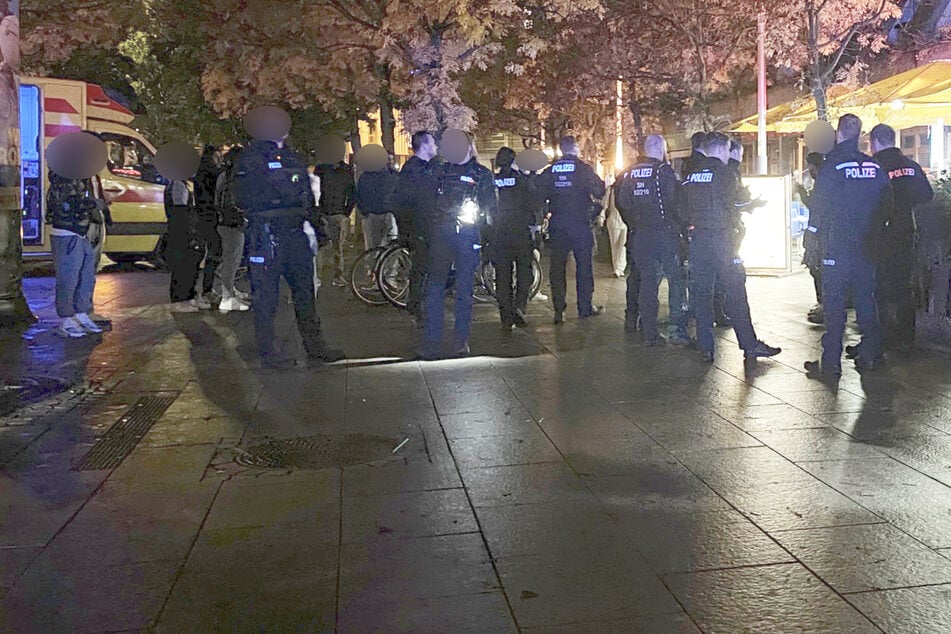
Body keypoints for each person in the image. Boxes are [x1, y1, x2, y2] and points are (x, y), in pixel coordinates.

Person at [234, 129, 344, 368]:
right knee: (266, 298)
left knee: (305, 295)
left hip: (294, 233)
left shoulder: (292, 158)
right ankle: (268, 352)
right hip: (266, 235)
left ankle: (315, 347)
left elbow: (307, 198)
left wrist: (317, 227)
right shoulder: (251, 159)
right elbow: (241, 198)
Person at [804, 115, 892, 378]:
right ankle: (871, 355)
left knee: (834, 304)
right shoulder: (874, 166)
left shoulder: (833, 166)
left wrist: (811, 240)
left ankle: (831, 363)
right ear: (860, 135)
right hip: (867, 247)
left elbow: (819, 208)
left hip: (837, 247)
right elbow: (888, 203)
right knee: (866, 301)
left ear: (839, 134)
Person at [682, 132, 781, 363]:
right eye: (727, 150)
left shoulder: (692, 175)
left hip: (699, 241)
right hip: (723, 241)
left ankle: (706, 346)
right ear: (719, 149)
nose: (729, 155)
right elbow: (738, 201)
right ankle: (749, 344)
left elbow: (681, 207)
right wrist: (753, 203)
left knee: (702, 294)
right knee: (736, 292)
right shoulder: (725, 174)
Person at [419, 132, 497, 359]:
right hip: (442, 233)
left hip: (467, 234)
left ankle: (460, 340)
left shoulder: (481, 174)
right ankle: (432, 340)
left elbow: (490, 208)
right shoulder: (440, 171)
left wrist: (487, 237)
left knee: (464, 289)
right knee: (435, 287)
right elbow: (426, 200)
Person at [615, 134, 689, 346]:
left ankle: (650, 331)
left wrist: (636, 224)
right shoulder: (664, 172)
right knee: (676, 280)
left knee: (647, 283)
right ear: (661, 149)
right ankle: (677, 328)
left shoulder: (630, 173)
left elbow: (623, 202)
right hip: (665, 234)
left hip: (641, 235)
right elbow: (675, 203)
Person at [869, 123, 934, 351]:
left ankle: (886, 337)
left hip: (881, 235)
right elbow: (927, 195)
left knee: (880, 287)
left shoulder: (874, 166)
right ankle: (907, 337)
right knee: (903, 286)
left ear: (874, 142)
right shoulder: (911, 166)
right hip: (907, 233)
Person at [538, 136, 606, 324]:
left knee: (557, 268)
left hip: (558, 224)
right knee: (584, 266)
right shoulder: (583, 168)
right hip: (579, 224)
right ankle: (585, 307)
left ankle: (559, 309)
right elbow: (599, 190)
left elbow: (538, 193)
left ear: (561, 149)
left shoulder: (551, 170)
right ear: (575, 149)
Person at [46, 172, 108, 336]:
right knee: (69, 277)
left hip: (80, 232)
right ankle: (67, 318)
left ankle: (81, 313)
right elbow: (68, 204)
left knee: (85, 275)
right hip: (67, 232)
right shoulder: (63, 180)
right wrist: (94, 205)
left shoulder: (79, 178)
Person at [390, 131, 439, 320]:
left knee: (425, 266)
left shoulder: (425, 167)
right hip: (420, 227)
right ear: (425, 146)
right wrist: (409, 230)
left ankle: (418, 304)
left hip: (426, 225)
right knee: (423, 266)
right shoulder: (414, 170)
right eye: (433, 143)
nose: (436, 146)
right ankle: (417, 306)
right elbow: (407, 201)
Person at [489, 147, 535, 330]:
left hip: (499, 234)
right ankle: (519, 305)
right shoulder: (521, 180)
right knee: (525, 272)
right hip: (520, 232)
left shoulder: (494, 181)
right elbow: (533, 202)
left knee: (502, 276)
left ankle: (506, 317)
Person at [214, 146, 250, 312]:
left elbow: (217, 200)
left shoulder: (223, 176)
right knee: (232, 260)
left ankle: (226, 290)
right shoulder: (238, 177)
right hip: (234, 223)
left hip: (223, 221)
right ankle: (227, 297)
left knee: (229, 259)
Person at [164, 176, 204, 313]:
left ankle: (186, 297)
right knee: (183, 266)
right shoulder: (178, 185)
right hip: (181, 232)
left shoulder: (182, 184)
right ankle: (179, 300)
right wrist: (190, 231)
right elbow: (180, 211)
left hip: (182, 231)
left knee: (188, 265)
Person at [314, 155, 355, 287]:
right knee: (324, 247)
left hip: (335, 212)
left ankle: (335, 276)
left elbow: (352, 193)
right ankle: (321, 276)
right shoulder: (323, 169)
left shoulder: (329, 169)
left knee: (335, 247)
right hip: (326, 212)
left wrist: (345, 213)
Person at [797, 152, 827, 324]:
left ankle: (823, 305)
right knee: (817, 268)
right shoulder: (825, 181)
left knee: (817, 268)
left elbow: (814, 206)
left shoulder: (822, 183)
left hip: (819, 235)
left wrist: (801, 192)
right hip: (820, 233)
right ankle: (823, 303)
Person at [193, 144, 223, 308]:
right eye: (218, 157)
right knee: (214, 253)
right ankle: (207, 290)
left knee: (205, 254)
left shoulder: (200, 172)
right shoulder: (212, 173)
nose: (219, 160)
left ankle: (203, 290)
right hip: (210, 217)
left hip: (202, 216)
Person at [356, 161, 398, 250]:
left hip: (372, 213)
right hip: (389, 213)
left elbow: (359, 195)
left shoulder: (366, 176)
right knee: (390, 245)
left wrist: (364, 211)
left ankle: (374, 262)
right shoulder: (394, 175)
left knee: (372, 246)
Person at [604, 175, 628, 278]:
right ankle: (618, 268)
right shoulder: (610, 189)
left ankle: (619, 268)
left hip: (620, 221)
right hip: (617, 220)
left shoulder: (614, 189)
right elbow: (605, 205)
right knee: (618, 246)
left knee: (620, 246)